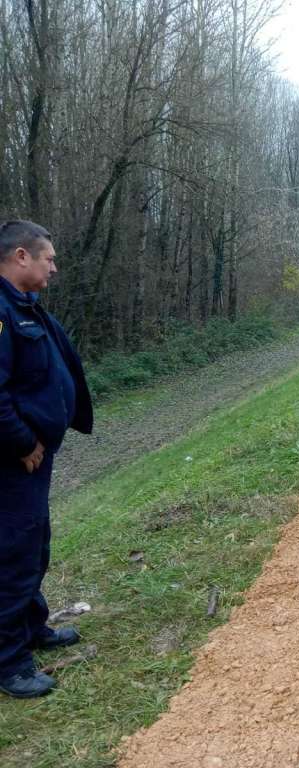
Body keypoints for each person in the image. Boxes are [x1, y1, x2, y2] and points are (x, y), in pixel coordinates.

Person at [0, 220, 93, 699]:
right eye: (48, 258)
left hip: (34, 459)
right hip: (15, 462)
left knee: (34, 548)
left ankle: (33, 628)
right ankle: (10, 665)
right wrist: (22, 442)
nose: (54, 267)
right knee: (11, 558)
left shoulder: (24, 306)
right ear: (21, 257)